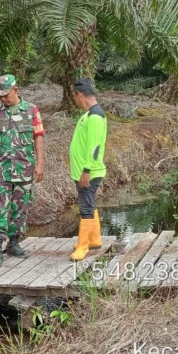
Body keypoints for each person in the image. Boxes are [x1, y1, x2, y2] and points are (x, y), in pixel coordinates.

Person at [0, 74, 45, 269]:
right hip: (1, 169)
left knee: (20, 208)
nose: (2, 99)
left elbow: (38, 137)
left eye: (5, 95)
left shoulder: (31, 110)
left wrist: (40, 164)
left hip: (24, 168)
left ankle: (14, 244)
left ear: (16, 90)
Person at [69, 79, 107, 260]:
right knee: (89, 203)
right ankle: (94, 239)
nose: (74, 100)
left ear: (79, 94)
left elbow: (95, 147)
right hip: (84, 171)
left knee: (85, 207)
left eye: (74, 96)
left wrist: (86, 170)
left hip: (89, 172)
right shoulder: (89, 114)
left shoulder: (95, 116)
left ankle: (83, 246)